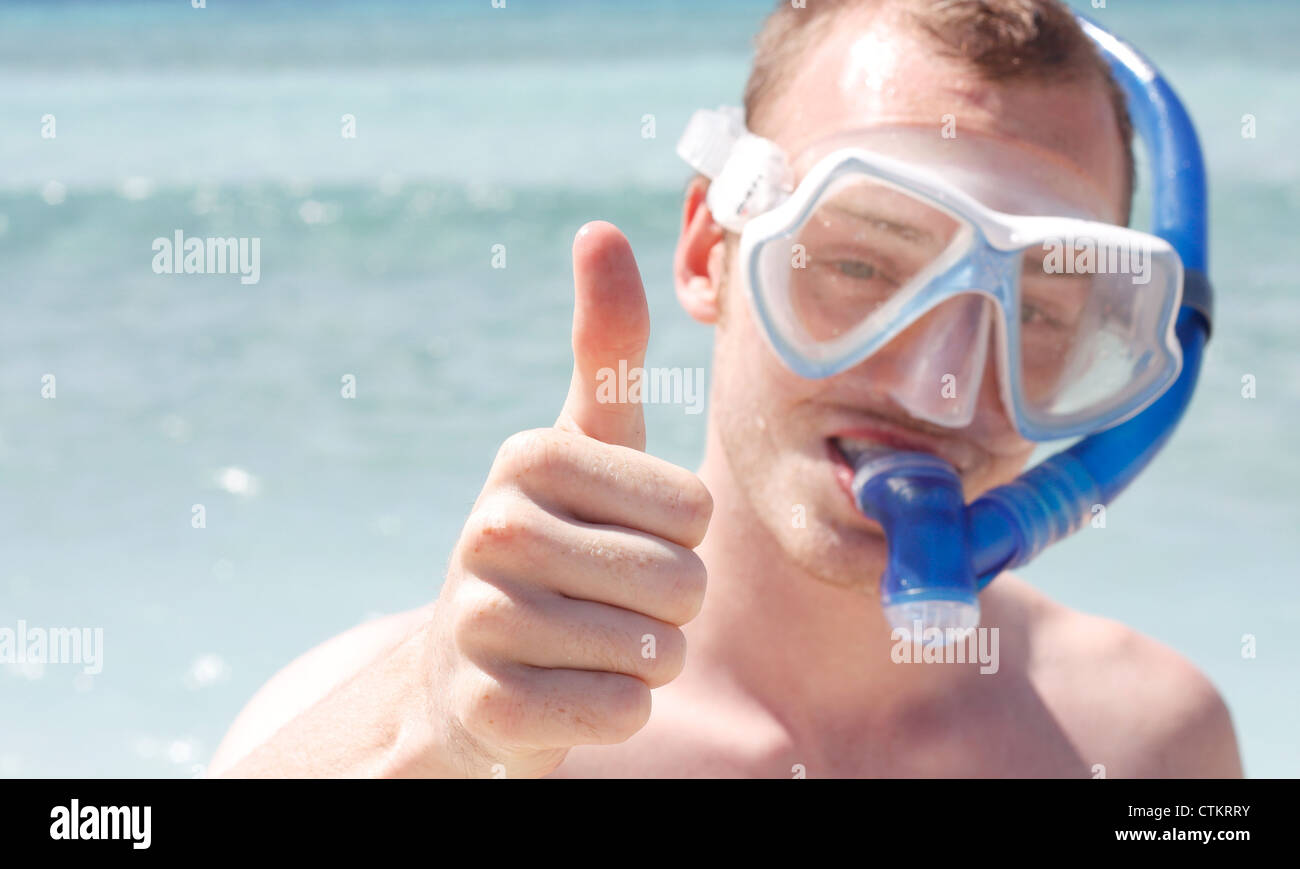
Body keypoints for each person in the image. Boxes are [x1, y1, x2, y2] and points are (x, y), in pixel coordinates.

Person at [209, 0, 1242, 778]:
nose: (938, 391)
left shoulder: (1151, 742)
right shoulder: (425, 718)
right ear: (710, 250)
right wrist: (425, 732)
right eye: (860, 266)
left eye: (1036, 313)